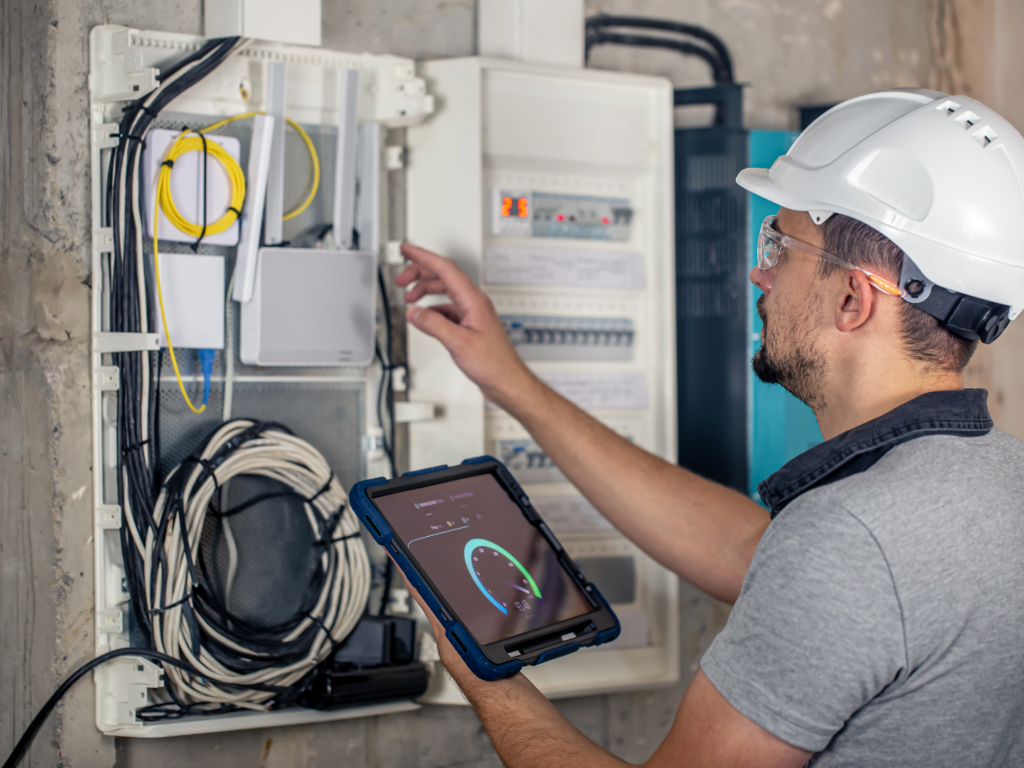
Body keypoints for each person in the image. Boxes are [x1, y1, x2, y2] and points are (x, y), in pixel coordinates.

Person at [392, 89, 1024, 767]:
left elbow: (830, 562)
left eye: (780, 248)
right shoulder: (994, 485)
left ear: (853, 298)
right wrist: (510, 381)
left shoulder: (853, 541)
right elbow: (757, 552)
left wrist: (485, 674)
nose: (759, 271)